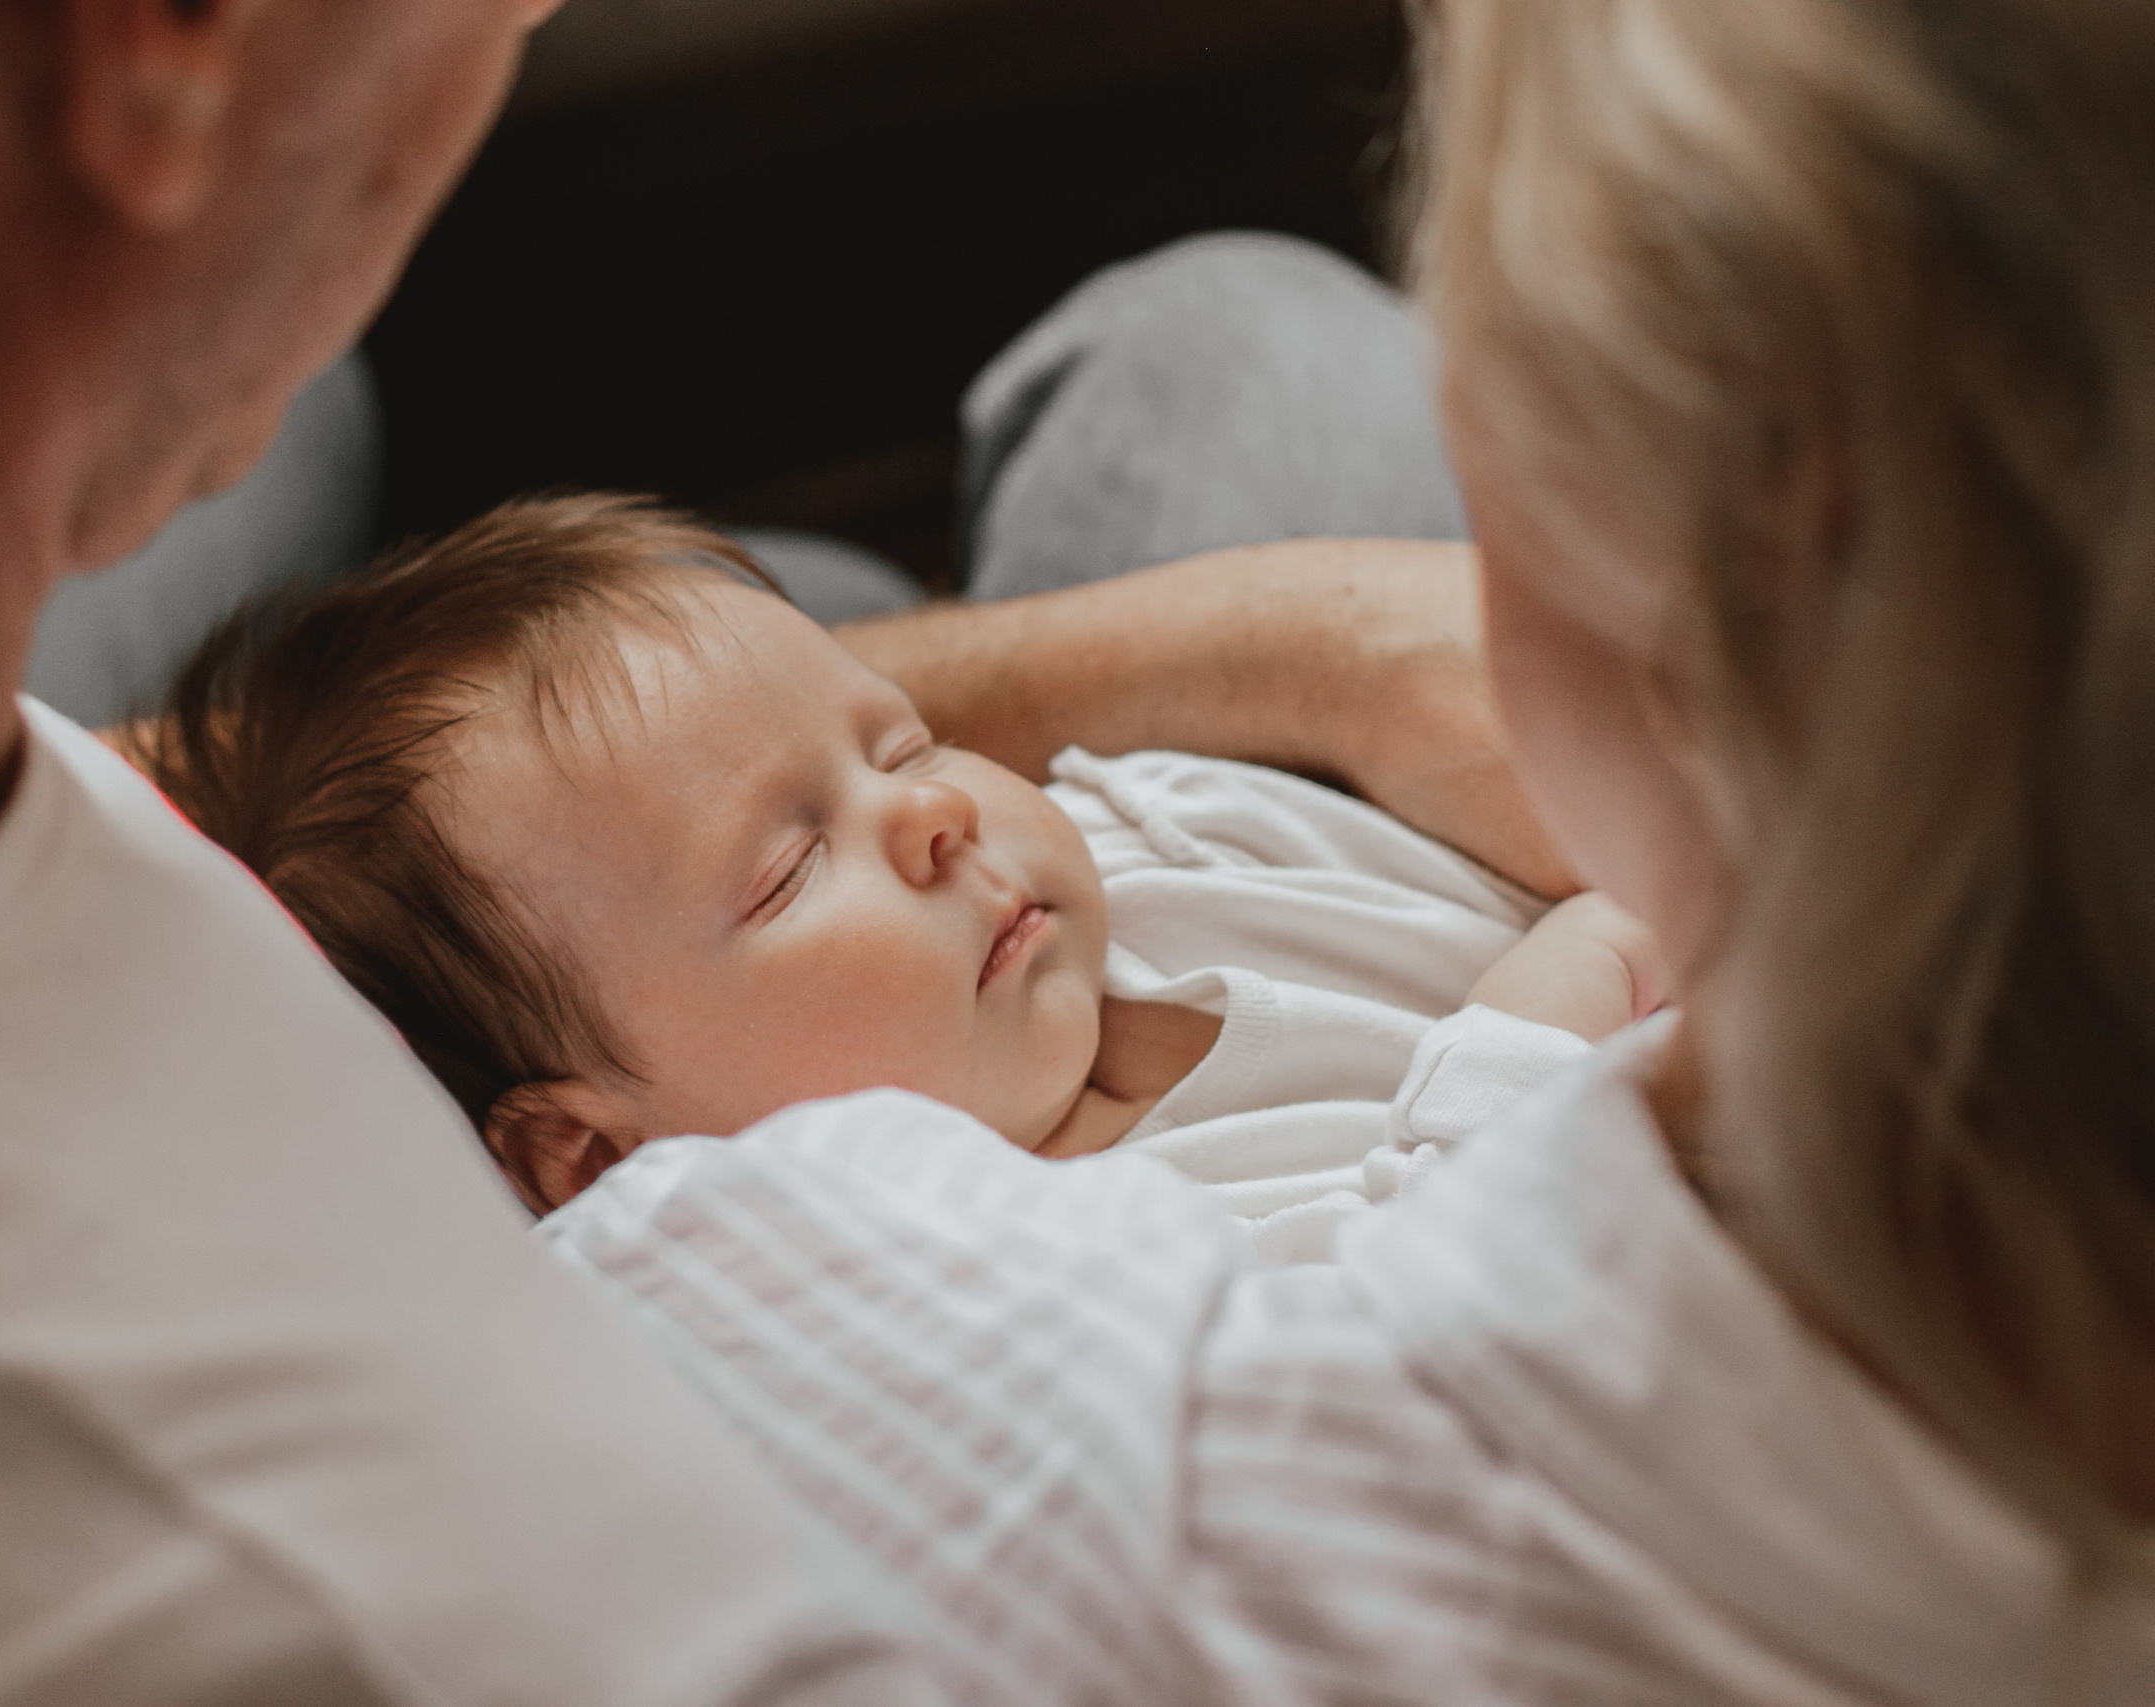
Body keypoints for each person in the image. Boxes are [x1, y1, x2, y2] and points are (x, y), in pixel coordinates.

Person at [0, 3, 1558, 1701]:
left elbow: (249, 772)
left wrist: (1274, 650)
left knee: (720, 576)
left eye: (906, 760)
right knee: (1247, 343)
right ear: (167, 34)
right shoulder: (478, 1603)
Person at [537, 0, 2155, 1701]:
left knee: (1228, 336)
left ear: (1724, 579)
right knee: (1227, 327)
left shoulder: (836, 1285)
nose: (931, 806)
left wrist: (1304, 652)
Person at [144, 492, 1658, 1256]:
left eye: (905, 739)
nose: (934, 814)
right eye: (790, 866)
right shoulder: (1003, 1284)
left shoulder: (1175, 826)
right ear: (609, 1164)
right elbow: (1415, 1381)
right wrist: (1545, 1022)